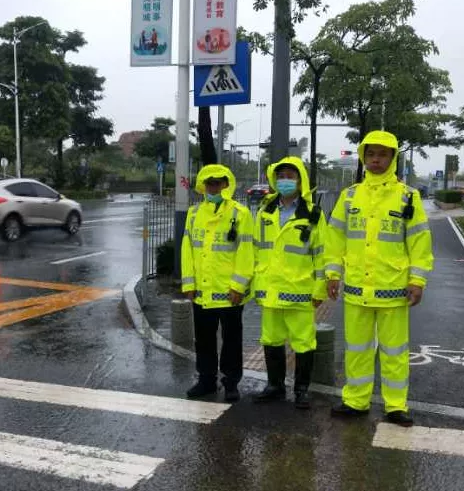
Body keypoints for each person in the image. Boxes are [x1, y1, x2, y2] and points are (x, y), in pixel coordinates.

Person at [324, 130, 434, 427]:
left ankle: (396, 405)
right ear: (363, 157)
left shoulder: (407, 196)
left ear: (393, 158)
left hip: (392, 289)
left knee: (394, 352)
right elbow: (334, 238)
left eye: (382, 154)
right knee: (357, 349)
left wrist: (418, 280)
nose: (376, 159)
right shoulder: (350, 196)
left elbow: (420, 242)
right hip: (356, 288)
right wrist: (332, 274)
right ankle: (355, 401)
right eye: (371, 154)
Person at [252, 157, 326, 409]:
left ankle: (301, 389)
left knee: (304, 342)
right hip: (270, 288)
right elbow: (255, 249)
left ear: (300, 180)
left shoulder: (313, 214)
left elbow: (322, 254)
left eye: (290, 176)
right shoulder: (265, 211)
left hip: (300, 291)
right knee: (271, 339)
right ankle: (275, 385)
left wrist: (320, 288)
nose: (285, 181)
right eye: (280, 176)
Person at [181, 164, 254, 402]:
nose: (213, 187)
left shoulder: (240, 213)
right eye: (209, 183)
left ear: (226, 184)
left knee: (231, 340)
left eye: (218, 183)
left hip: (229, 292)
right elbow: (187, 250)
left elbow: (246, 252)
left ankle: (231, 382)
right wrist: (188, 284)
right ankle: (206, 380)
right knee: (203, 339)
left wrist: (238, 286)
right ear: (203, 186)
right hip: (202, 291)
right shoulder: (194, 214)